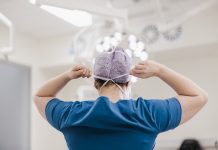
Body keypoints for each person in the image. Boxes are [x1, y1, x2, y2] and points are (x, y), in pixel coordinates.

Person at [34, 47, 208, 150]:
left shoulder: (71, 115)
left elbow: (40, 96)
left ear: (95, 83)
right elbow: (198, 96)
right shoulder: (148, 113)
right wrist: (160, 70)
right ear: (128, 83)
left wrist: (67, 75)